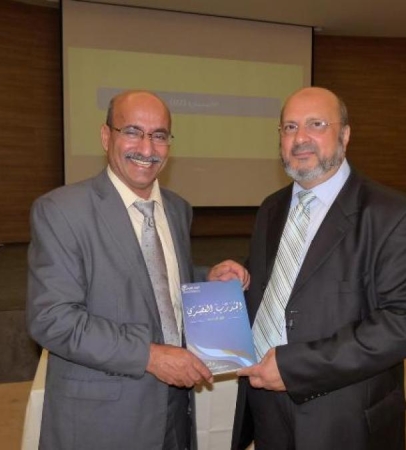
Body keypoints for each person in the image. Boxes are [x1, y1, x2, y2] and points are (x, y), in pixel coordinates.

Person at [27, 90, 249, 450]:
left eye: (159, 135)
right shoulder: (62, 211)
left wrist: (206, 279)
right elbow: (52, 319)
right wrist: (150, 355)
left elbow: (156, 278)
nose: (147, 148)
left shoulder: (177, 208)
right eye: (132, 131)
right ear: (106, 136)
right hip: (104, 421)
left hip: (176, 412)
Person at [231, 87, 406, 450]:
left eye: (316, 124)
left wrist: (294, 367)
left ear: (345, 134)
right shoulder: (271, 208)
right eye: (290, 127)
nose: (300, 138)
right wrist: (237, 281)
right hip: (265, 405)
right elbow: (280, 284)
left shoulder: (394, 216)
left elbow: (403, 325)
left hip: (342, 417)